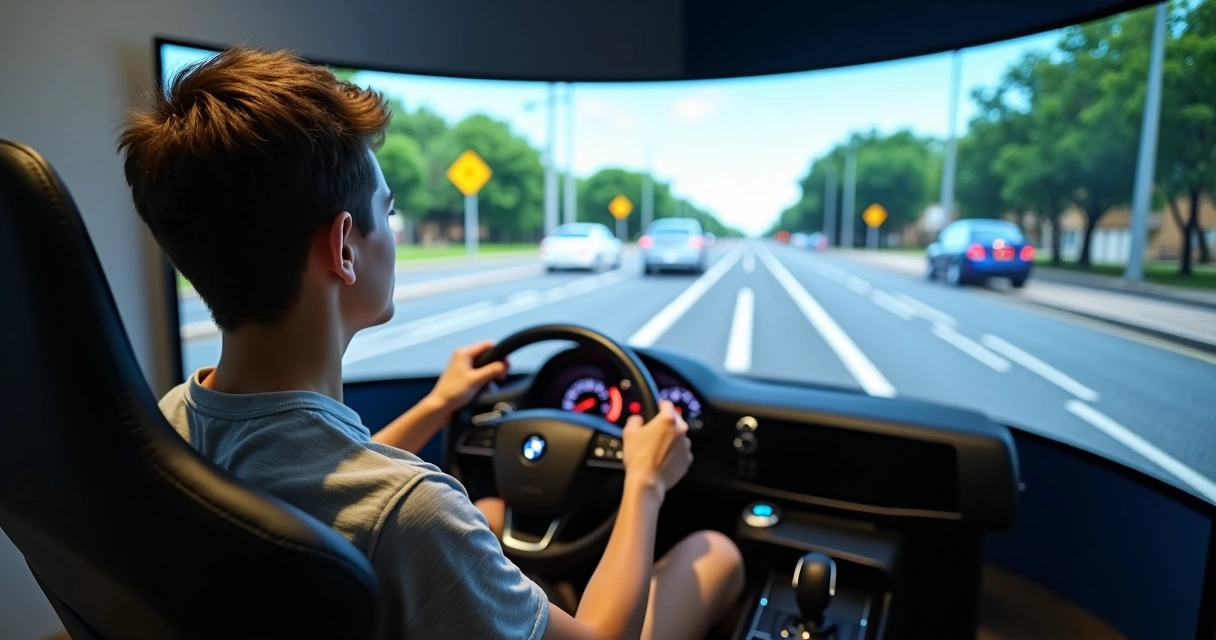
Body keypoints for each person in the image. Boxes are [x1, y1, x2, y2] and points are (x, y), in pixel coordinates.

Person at [118, 46, 743, 640]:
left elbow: (316, 497)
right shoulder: (414, 513)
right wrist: (645, 481)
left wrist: (439, 404)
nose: (391, 230)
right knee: (714, 556)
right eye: (386, 213)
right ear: (343, 248)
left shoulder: (166, 425)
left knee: (493, 513)